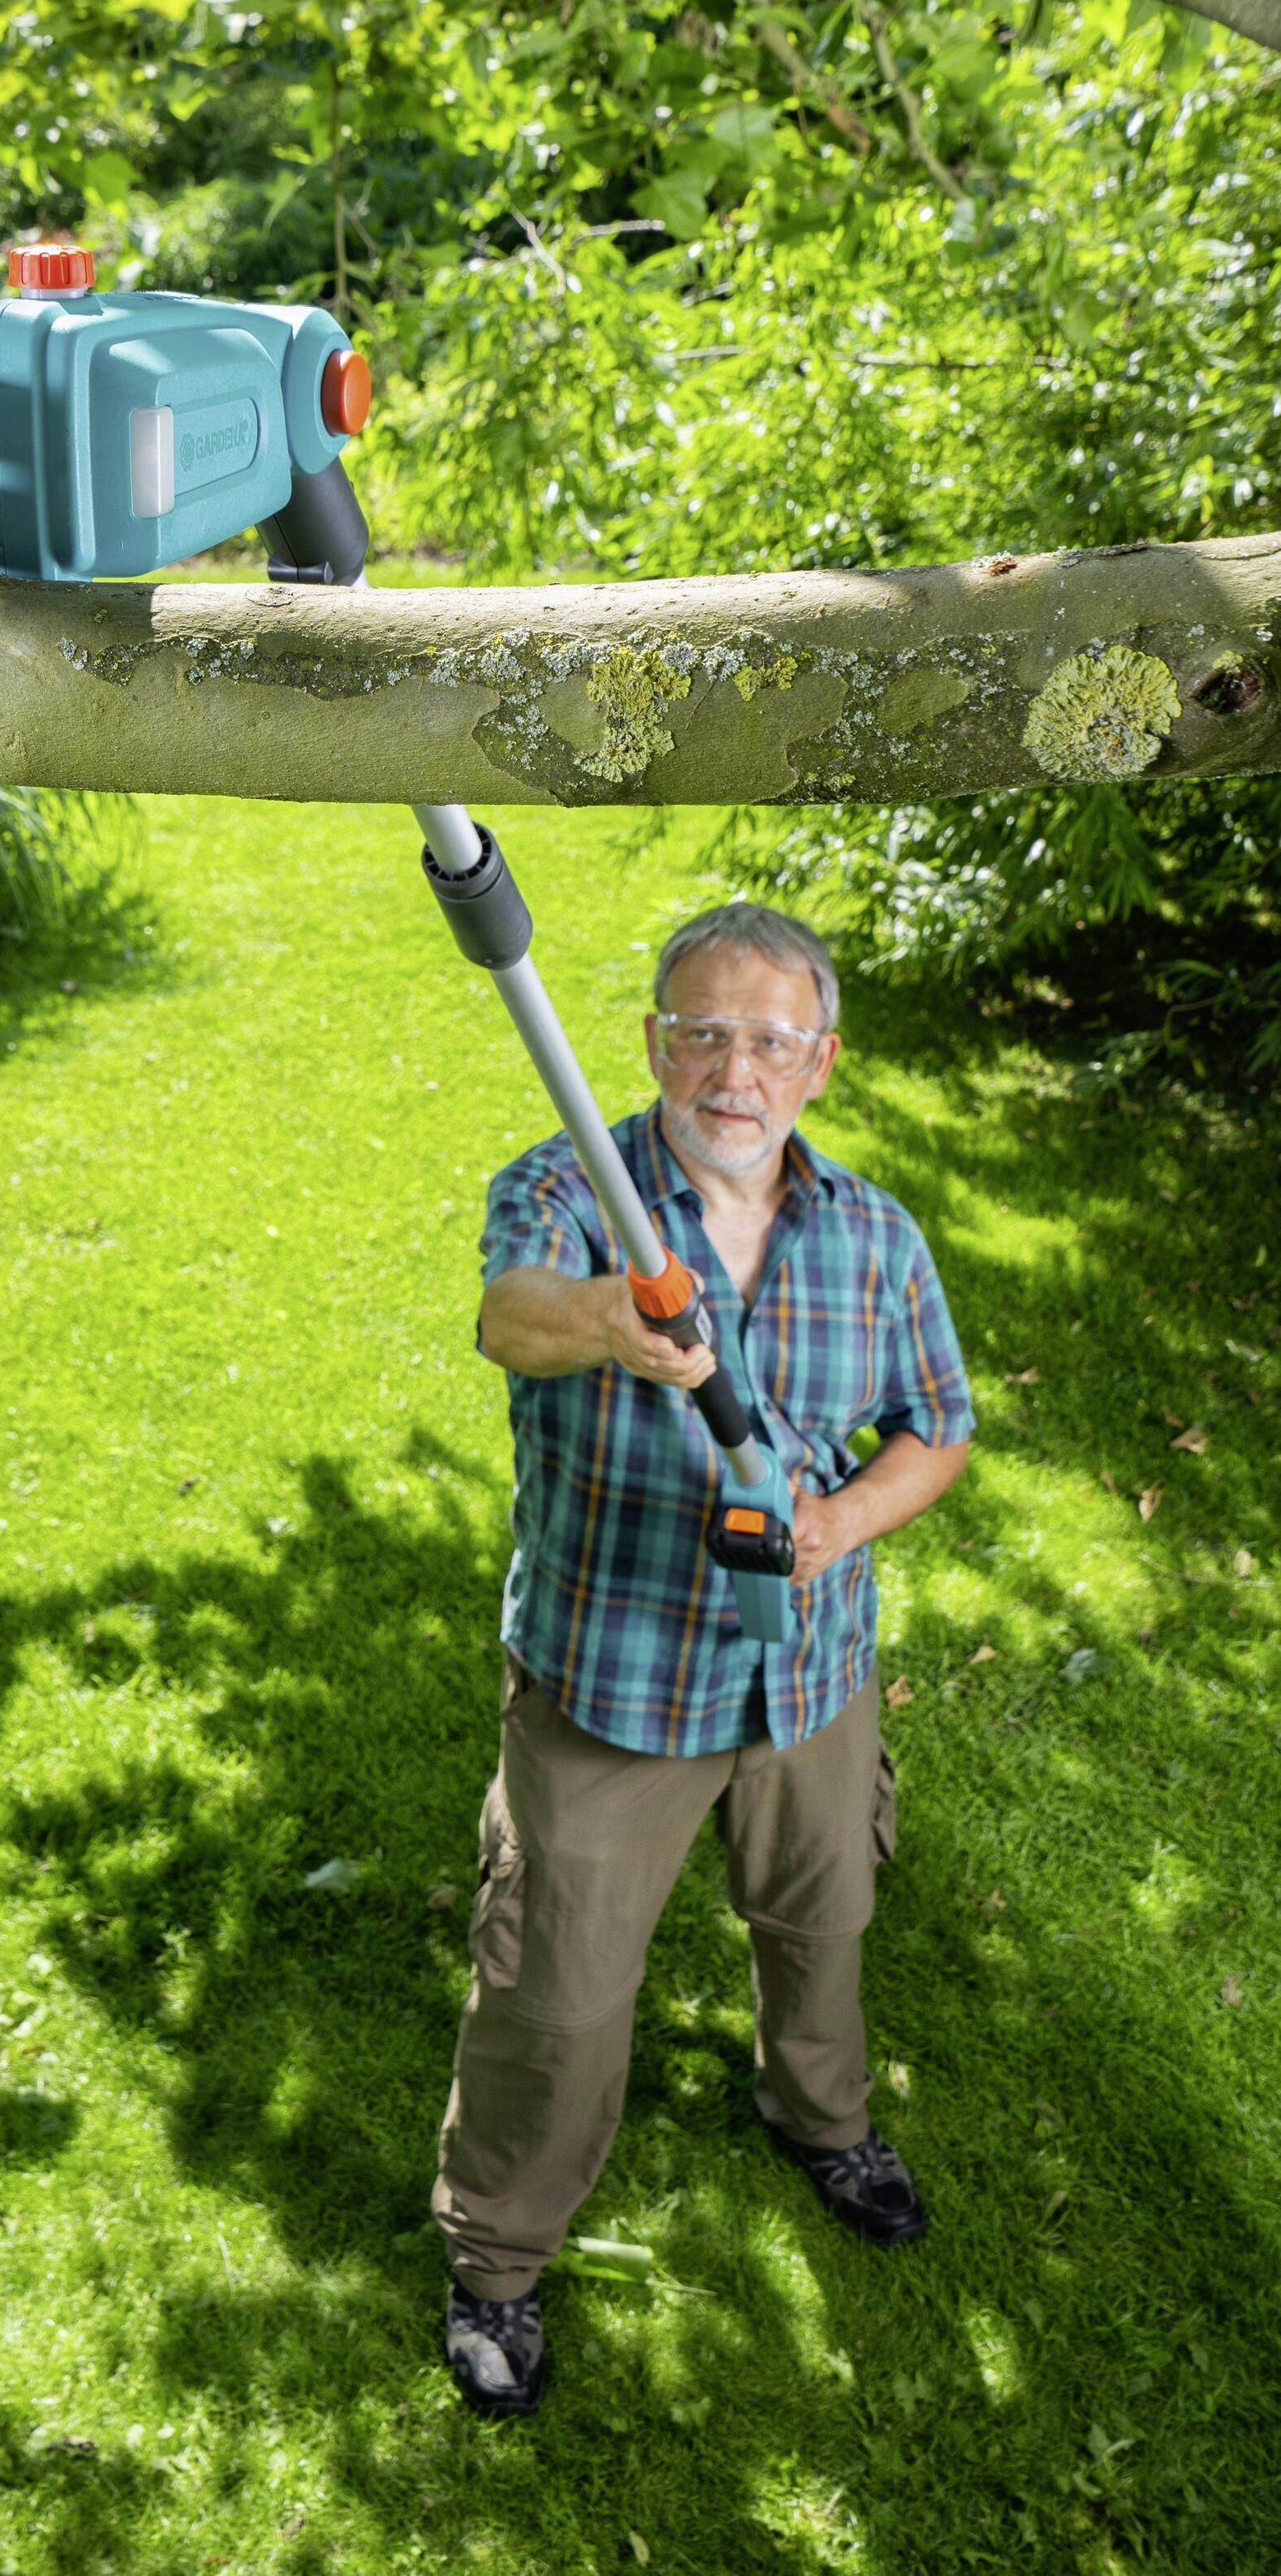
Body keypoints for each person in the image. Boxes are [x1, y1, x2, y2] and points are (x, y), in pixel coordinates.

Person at [434, 901, 973, 2418]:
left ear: (821, 1063)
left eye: (771, 1040)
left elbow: (939, 1427)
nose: (734, 1069)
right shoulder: (569, 1188)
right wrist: (612, 1316)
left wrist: (833, 1526)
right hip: (612, 1684)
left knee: (820, 1918)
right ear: (655, 1044)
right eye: (704, 1033)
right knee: (555, 1992)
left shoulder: (872, 1233)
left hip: (810, 1678)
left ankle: (824, 2121)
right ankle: (497, 2262)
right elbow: (508, 1315)